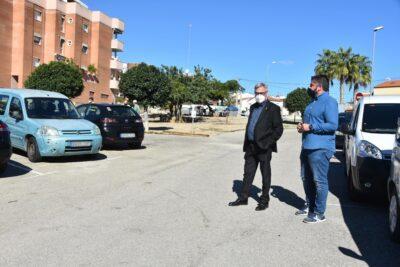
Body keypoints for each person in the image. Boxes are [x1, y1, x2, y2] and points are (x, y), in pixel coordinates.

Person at [229, 83, 283, 211]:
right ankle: (243, 197)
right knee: (248, 173)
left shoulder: (273, 108)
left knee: (265, 174)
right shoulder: (253, 107)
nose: (259, 95)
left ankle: (264, 200)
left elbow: (279, 129)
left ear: (266, 93)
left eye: (261, 93)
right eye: (257, 93)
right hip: (251, 146)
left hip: (264, 147)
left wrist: (269, 142)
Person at [296, 75, 338, 223]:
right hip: (306, 146)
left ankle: (319, 213)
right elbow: (309, 123)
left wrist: (311, 127)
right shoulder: (312, 102)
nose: (309, 87)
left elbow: (333, 125)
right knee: (305, 178)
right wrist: (302, 127)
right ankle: (310, 206)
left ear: (319, 87)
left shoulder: (330, 102)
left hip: (320, 148)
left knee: (319, 181)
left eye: (311, 85)